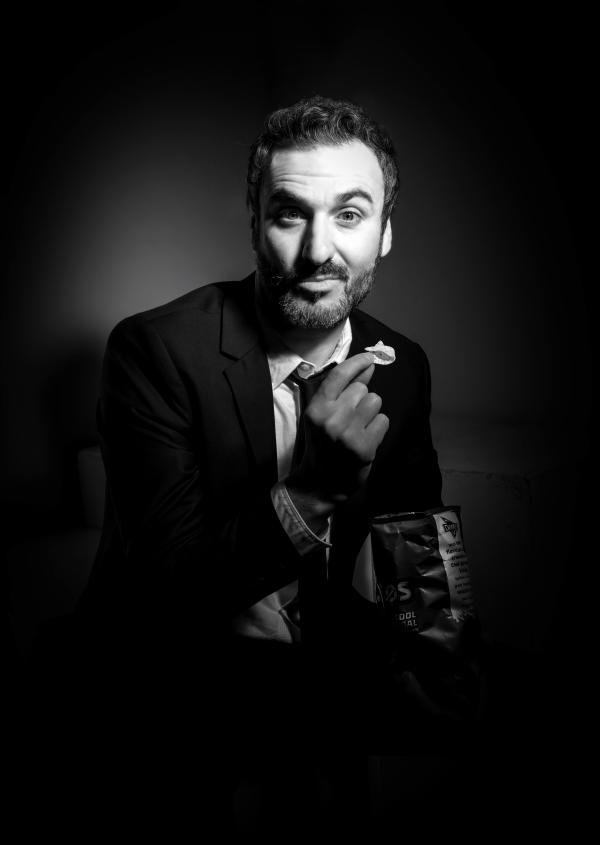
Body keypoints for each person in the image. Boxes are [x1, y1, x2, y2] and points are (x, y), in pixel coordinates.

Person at [75, 95, 454, 832]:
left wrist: (445, 660)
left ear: (384, 233)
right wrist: (313, 489)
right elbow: (175, 582)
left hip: (319, 676)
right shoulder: (153, 353)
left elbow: (415, 533)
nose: (318, 251)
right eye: (289, 214)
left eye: (349, 214)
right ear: (254, 224)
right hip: (168, 682)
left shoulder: (403, 364)